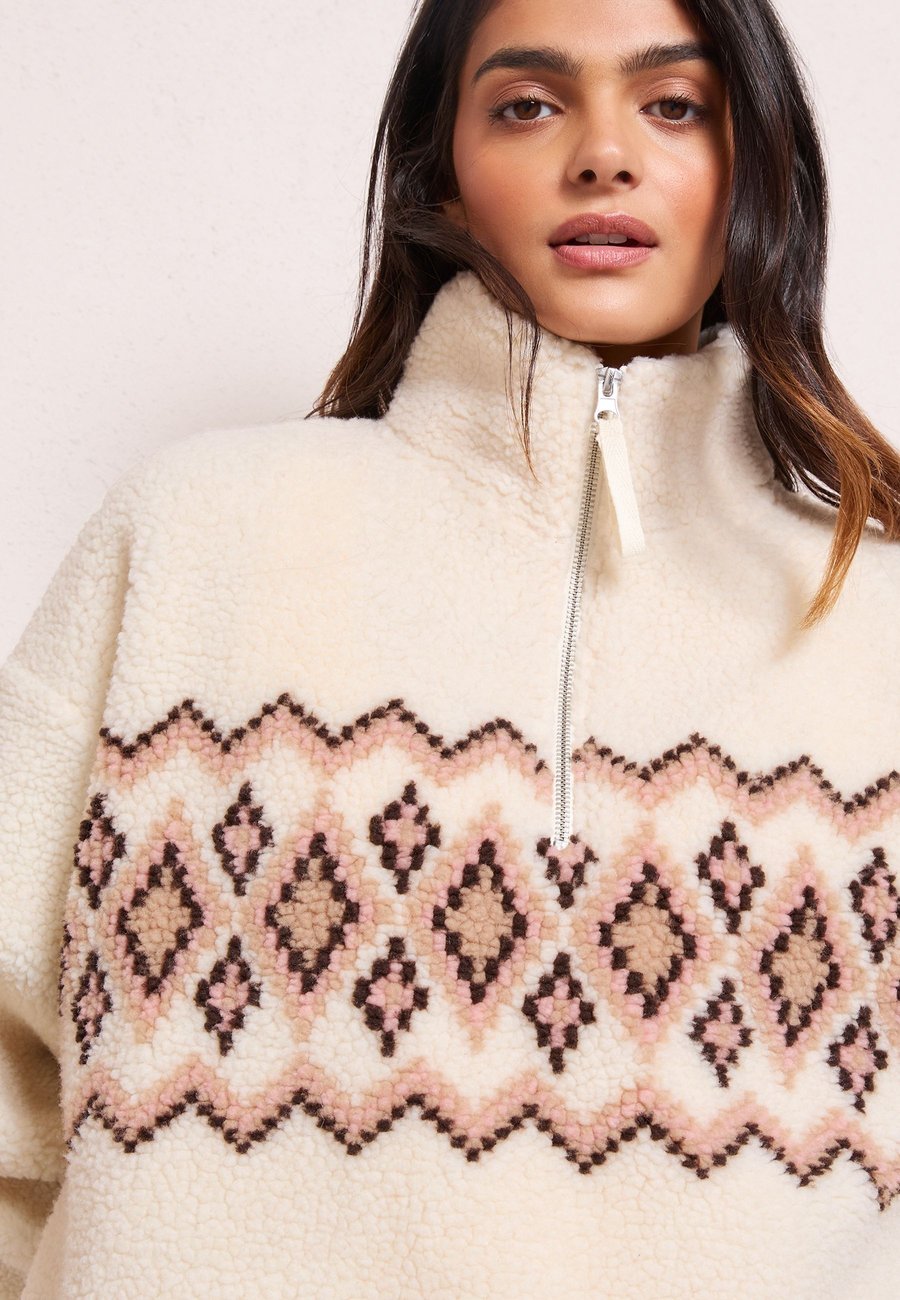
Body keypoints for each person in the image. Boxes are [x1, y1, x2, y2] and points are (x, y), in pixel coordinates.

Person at [2, 0, 899, 1295]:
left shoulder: (872, 623)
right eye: (528, 105)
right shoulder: (193, 538)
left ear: (758, 167)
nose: (604, 154)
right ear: (443, 176)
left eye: (675, 106)